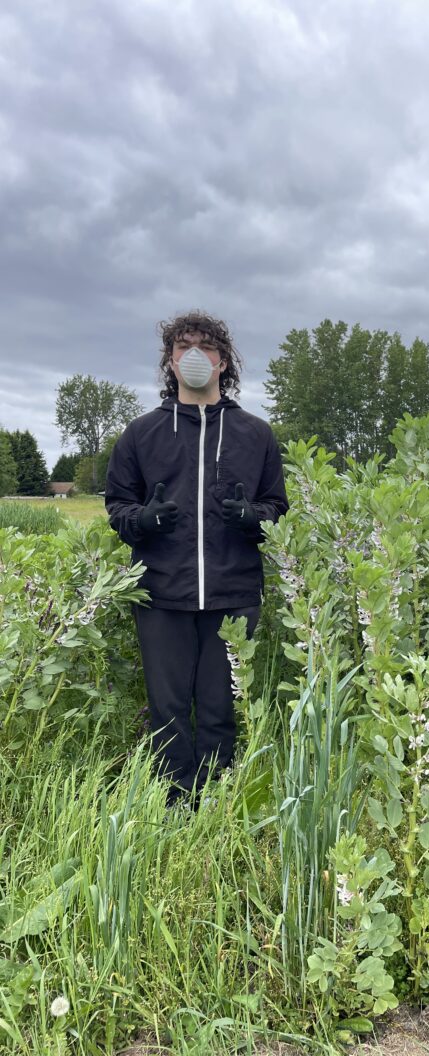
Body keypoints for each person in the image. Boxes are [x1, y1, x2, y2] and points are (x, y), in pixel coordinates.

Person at [105, 311, 289, 809]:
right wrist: (143, 520)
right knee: (167, 707)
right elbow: (117, 506)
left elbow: (276, 506)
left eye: (205, 346)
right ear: (169, 360)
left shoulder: (255, 434)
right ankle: (174, 802)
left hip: (234, 591)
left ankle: (215, 800)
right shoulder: (141, 433)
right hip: (161, 591)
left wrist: (252, 518)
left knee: (219, 703)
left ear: (223, 361)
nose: (194, 355)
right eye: (183, 346)